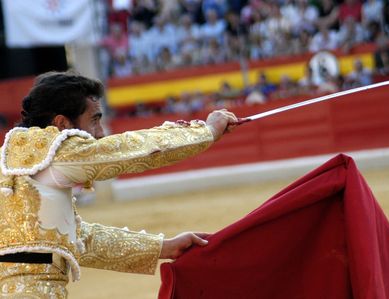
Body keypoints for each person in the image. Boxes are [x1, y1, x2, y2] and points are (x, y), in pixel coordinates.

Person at [0, 71, 238, 297]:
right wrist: (204, 132)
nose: (100, 133)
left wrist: (163, 248)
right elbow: (133, 151)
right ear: (62, 124)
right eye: (94, 120)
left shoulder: (18, 164)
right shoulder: (57, 152)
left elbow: (80, 239)